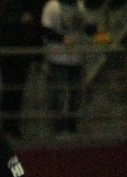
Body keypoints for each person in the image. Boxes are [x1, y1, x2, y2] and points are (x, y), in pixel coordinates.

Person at [41, 0, 96, 136]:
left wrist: (92, 29)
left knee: (76, 96)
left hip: (76, 59)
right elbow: (45, 30)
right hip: (57, 58)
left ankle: (72, 128)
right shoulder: (53, 5)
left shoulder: (80, 6)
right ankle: (58, 129)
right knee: (58, 96)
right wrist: (62, 38)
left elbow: (86, 28)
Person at [0, 0, 45, 138]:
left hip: (24, 53)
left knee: (18, 91)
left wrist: (39, 54)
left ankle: (14, 127)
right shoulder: (7, 4)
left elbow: (36, 28)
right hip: (8, 53)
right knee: (9, 89)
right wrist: (19, 19)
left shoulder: (31, 6)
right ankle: (7, 128)